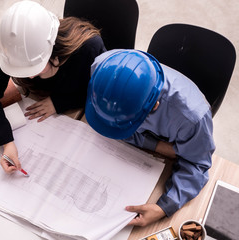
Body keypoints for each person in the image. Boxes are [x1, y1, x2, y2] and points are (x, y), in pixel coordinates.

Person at [85, 49, 215, 227]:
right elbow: (109, 125)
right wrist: (158, 146)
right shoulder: (103, 66)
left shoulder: (192, 119)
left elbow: (197, 164)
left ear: (155, 106)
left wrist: (163, 207)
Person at [0, 1, 106, 174]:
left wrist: (59, 102)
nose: (29, 76)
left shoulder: (89, 49)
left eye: (35, 67)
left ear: (53, 52)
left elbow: (101, 93)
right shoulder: (13, 52)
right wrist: (7, 142)